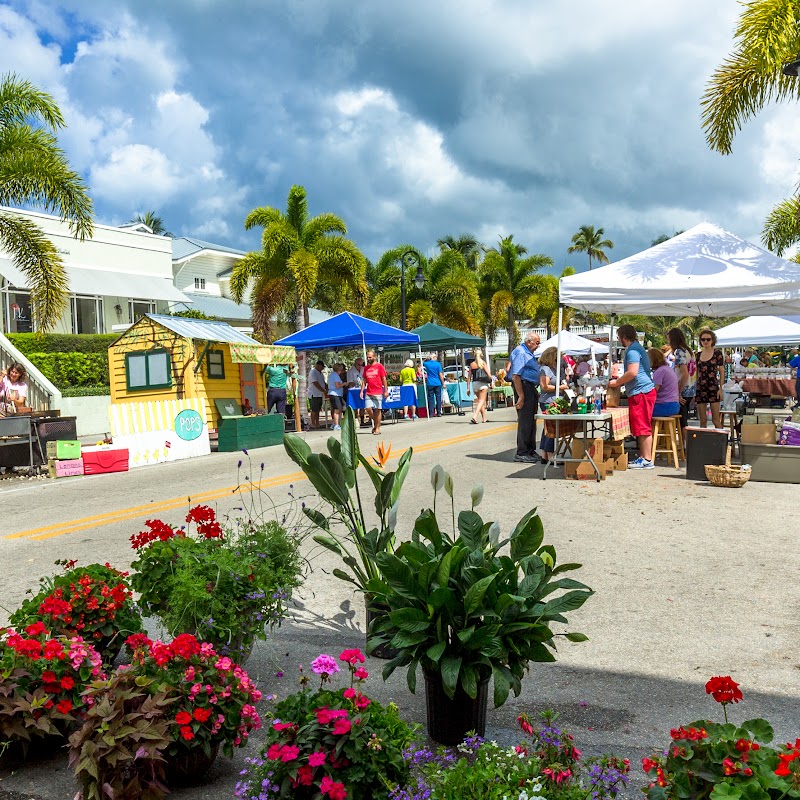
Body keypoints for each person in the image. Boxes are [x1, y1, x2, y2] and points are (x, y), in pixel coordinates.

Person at [609, 324, 656, 469]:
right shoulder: (638, 348)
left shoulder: (632, 351)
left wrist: (617, 382)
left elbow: (633, 372)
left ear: (623, 337)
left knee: (642, 426)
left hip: (641, 392)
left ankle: (647, 459)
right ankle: (644, 456)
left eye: (618, 337)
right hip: (643, 391)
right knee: (641, 426)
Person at [509, 331, 541, 464]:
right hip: (524, 387)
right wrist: (521, 396)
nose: (538, 346)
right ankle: (522, 452)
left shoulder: (527, 353)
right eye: (537, 343)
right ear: (529, 342)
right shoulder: (521, 353)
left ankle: (530, 450)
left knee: (531, 421)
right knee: (525, 420)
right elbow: (516, 375)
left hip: (530, 387)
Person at [537, 346, 568, 465]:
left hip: (555, 400)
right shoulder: (545, 369)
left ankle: (544, 454)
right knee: (552, 428)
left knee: (547, 428)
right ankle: (550, 454)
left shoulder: (553, 368)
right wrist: (560, 388)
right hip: (548, 401)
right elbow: (544, 386)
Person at [668, 328, 696, 432]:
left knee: (682, 421)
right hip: (691, 389)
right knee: (684, 419)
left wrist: (678, 391)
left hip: (683, 389)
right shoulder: (688, 351)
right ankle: (685, 444)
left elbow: (684, 373)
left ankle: (685, 445)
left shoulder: (679, 351)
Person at [695, 328, 724, 429]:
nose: (706, 342)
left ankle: (721, 442)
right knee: (702, 420)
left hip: (713, 387)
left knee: (715, 419)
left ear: (713, 340)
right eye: (703, 339)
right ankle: (703, 442)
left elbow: (722, 371)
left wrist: (721, 388)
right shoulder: (698, 355)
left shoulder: (717, 354)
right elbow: (696, 373)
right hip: (700, 388)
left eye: (708, 339)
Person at [361, 350, 388, 435]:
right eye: (367, 357)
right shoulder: (366, 368)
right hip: (369, 391)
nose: (368, 358)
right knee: (368, 408)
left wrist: (386, 390)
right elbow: (364, 380)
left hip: (378, 391)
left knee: (378, 410)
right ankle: (376, 423)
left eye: (370, 357)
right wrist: (362, 391)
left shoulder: (379, 366)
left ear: (374, 357)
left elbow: (384, 379)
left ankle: (377, 428)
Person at [648, 347, 680, 418]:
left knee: (641, 411)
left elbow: (654, 391)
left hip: (665, 406)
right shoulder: (667, 369)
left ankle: (647, 429)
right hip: (674, 405)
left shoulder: (660, 371)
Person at [467, 348, 493, 424]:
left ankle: (484, 418)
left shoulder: (472, 364)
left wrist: (468, 388)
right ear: (481, 355)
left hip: (474, 384)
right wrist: (492, 382)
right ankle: (475, 416)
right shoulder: (483, 363)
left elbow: (468, 377)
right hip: (483, 384)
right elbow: (489, 374)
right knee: (482, 401)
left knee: (480, 402)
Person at [346, 357, 367, 427]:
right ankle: (355, 420)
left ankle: (362, 420)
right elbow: (349, 382)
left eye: (361, 364)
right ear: (355, 363)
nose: (360, 366)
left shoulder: (363, 369)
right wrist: (356, 384)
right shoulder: (350, 371)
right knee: (355, 406)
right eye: (359, 364)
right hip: (354, 390)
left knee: (362, 405)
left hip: (362, 389)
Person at [307, 360, 327, 430]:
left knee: (318, 409)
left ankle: (317, 422)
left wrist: (326, 387)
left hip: (319, 394)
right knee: (314, 409)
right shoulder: (313, 372)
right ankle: (313, 423)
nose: (322, 368)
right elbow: (315, 383)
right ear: (318, 366)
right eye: (321, 367)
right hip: (314, 393)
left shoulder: (320, 373)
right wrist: (323, 390)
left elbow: (323, 382)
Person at [327, 362, 345, 431]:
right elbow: (337, 386)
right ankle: (336, 424)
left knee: (338, 409)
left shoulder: (332, 375)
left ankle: (335, 423)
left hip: (335, 394)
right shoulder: (336, 376)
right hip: (335, 394)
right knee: (337, 410)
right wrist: (343, 384)